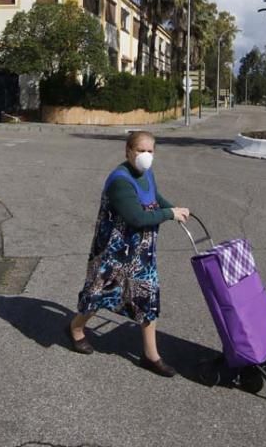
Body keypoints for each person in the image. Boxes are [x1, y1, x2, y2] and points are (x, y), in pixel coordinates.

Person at [68, 130, 190, 377]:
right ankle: (76, 328)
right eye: (140, 150)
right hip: (113, 252)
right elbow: (136, 217)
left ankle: (150, 355)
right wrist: (169, 215)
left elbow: (153, 196)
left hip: (141, 254)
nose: (145, 155)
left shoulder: (146, 173)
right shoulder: (120, 180)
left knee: (147, 297)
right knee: (98, 294)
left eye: (150, 151)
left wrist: (173, 207)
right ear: (128, 151)